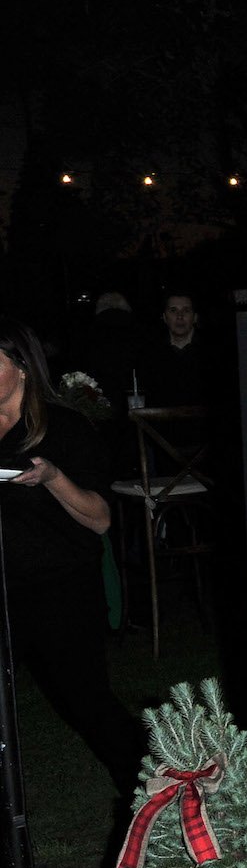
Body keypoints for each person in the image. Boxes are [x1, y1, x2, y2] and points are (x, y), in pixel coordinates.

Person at [0, 318, 140, 795]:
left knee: (85, 703)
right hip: (4, 589)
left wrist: (53, 478)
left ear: (20, 367)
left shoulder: (64, 428)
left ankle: (151, 790)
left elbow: (100, 519)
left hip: (59, 588)